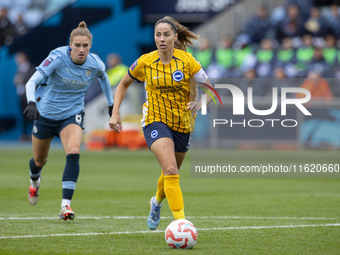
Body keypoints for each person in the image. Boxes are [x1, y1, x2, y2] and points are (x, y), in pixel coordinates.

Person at [109, 16, 212, 230]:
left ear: (175, 37)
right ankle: (180, 224)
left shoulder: (187, 61)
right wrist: (115, 113)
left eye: (166, 35)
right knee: (171, 169)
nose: (162, 39)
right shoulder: (145, 61)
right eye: (158, 35)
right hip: (155, 121)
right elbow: (122, 85)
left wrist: (201, 102)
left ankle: (156, 202)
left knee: (170, 171)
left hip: (183, 123)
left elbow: (210, 89)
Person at [23, 21, 114, 220]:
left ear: (90, 46)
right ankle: (34, 182)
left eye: (86, 46)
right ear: (70, 45)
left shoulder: (95, 63)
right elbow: (32, 81)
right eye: (77, 45)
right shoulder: (57, 58)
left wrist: (110, 104)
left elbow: (104, 78)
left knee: (73, 151)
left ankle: (66, 206)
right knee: (39, 161)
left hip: (71, 115)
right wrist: (31, 103)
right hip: (45, 114)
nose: (81, 50)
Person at [13, 51, 36, 140]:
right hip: (21, 96)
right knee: (23, 116)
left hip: (29, 96)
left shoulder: (31, 68)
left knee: (32, 116)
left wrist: (22, 80)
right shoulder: (19, 69)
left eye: (19, 57)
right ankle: (24, 134)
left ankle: (34, 133)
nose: (17, 60)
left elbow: (33, 81)